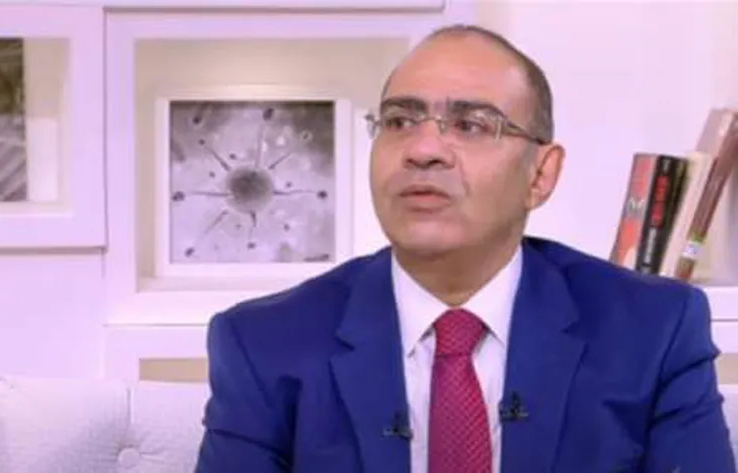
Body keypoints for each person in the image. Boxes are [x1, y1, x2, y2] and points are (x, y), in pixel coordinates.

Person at [194, 23, 736, 473]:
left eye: (472, 125)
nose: (423, 149)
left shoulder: (654, 331)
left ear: (541, 175)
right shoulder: (262, 343)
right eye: (399, 121)